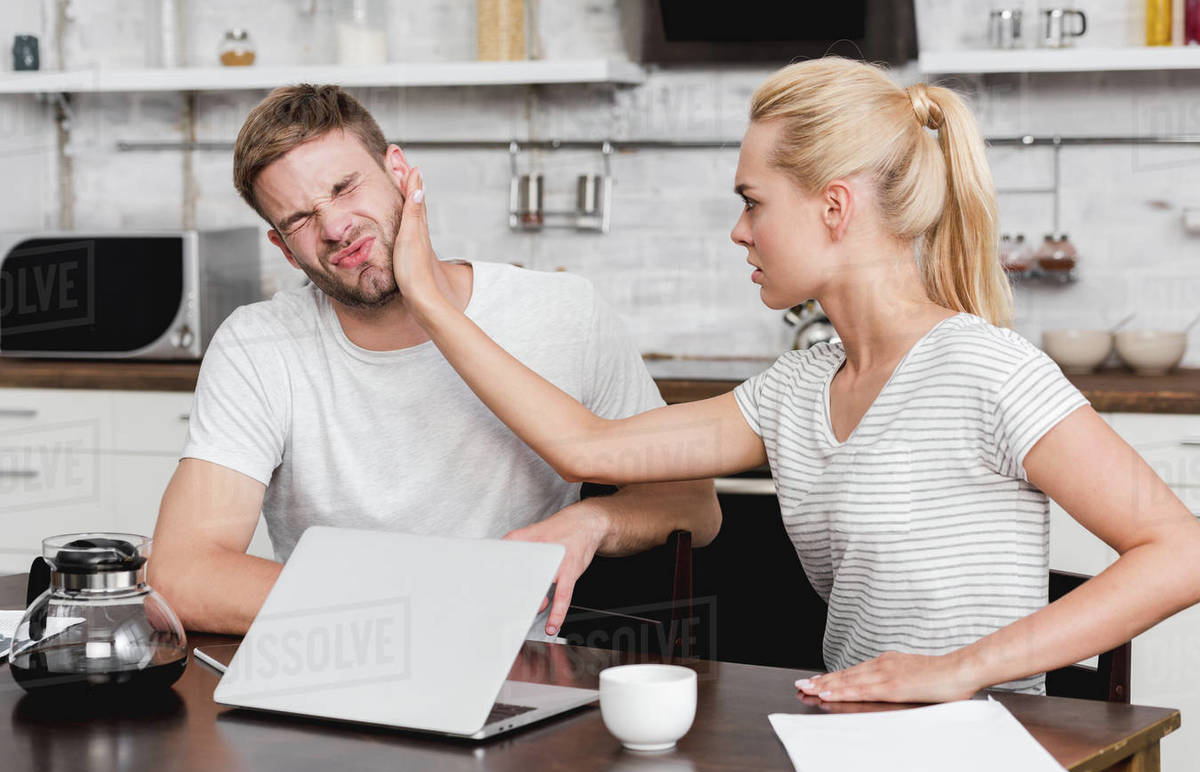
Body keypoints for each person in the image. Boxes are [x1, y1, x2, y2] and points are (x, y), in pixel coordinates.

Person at [386, 57, 1200, 701]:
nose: (739, 231)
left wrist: (961, 667)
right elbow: (582, 443)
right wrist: (426, 293)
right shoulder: (798, 389)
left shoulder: (984, 368)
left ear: (835, 208)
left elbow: (1180, 551)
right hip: (848, 733)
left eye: (752, 201)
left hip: (977, 751)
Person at [146, 84, 721, 638]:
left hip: (511, 669)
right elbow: (182, 576)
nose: (335, 228)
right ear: (283, 249)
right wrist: (416, 609)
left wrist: (594, 520)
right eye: (298, 220)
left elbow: (695, 506)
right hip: (328, 658)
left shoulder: (565, 314)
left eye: (346, 187)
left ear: (400, 171)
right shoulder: (257, 345)